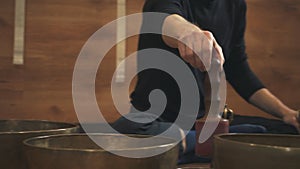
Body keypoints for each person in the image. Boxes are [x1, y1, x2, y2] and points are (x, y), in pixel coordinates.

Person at [112, 0, 300, 164]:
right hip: (153, 120)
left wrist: (286, 113)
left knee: (284, 132)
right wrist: (188, 32)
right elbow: (166, 19)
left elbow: (238, 70)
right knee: (127, 129)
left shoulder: (235, 5)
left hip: (200, 123)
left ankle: (199, 145)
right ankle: (209, 145)